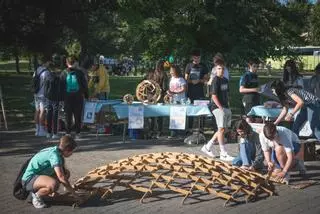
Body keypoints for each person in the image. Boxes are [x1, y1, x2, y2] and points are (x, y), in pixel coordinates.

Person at [21, 136, 80, 208]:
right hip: (28, 180)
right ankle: (36, 197)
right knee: (53, 184)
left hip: (37, 176)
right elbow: (61, 178)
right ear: (67, 149)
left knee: (66, 173)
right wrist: (74, 194)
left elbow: (63, 174)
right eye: (72, 151)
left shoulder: (56, 150)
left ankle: (49, 192)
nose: (72, 154)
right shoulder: (55, 156)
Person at [201, 59, 234, 161]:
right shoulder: (215, 80)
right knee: (221, 129)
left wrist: (228, 106)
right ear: (216, 69)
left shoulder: (225, 80)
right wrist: (220, 108)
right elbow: (214, 96)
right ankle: (223, 153)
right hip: (216, 107)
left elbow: (227, 94)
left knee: (223, 129)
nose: (221, 70)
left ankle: (207, 147)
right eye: (219, 69)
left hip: (225, 107)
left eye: (223, 68)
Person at [63, 56, 89, 139]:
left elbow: (60, 85)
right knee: (78, 115)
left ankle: (68, 133)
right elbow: (84, 85)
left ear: (66, 63)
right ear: (74, 63)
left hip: (67, 96)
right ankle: (78, 133)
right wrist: (86, 95)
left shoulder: (63, 73)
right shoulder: (80, 72)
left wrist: (60, 97)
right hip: (78, 96)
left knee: (68, 115)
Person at [184, 49, 209, 133]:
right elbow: (186, 79)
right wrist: (191, 82)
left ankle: (201, 128)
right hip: (190, 91)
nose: (197, 59)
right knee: (190, 109)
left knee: (201, 110)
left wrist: (199, 81)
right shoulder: (188, 65)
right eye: (195, 57)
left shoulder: (203, 66)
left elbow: (206, 79)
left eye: (198, 57)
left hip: (200, 91)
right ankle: (189, 128)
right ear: (192, 57)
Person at [43, 55, 65, 139]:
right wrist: (62, 98)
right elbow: (62, 88)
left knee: (49, 114)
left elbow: (45, 87)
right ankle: (55, 133)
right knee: (55, 115)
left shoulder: (48, 76)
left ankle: (49, 132)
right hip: (56, 97)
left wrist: (46, 95)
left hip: (49, 96)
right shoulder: (60, 77)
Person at [145, 60, 168, 138]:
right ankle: (159, 131)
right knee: (159, 114)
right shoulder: (163, 74)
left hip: (150, 96)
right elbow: (165, 87)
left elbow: (144, 84)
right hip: (159, 96)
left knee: (151, 114)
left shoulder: (150, 73)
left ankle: (150, 131)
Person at [167, 64, 187, 138]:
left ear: (176, 71)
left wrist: (175, 92)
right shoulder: (172, 78)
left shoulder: (181, 79)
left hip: (180, 100)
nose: (171, 72)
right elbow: (170, 88)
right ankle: (173, 134)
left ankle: (181, 134)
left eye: (172, 71)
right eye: (170, 71)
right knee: (173, 117)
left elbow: (184, 89)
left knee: (180, 117)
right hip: (173, 100)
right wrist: (169, 93)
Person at [33, 56, 51, 137]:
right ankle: (41, 130)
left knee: (37, 111)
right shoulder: (46, 72)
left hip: (36, 93)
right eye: (48, 62)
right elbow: (49, 83)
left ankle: (37, 129)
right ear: (46, 62)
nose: (49, 64)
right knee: (42, 111)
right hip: (43, 94)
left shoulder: (37, 70)